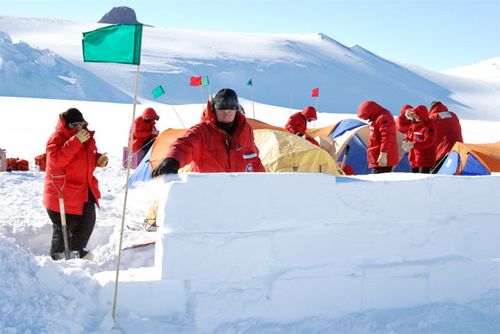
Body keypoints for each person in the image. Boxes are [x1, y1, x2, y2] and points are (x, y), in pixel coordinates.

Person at [152, 88, 265, 175]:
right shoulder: (201, 131)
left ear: (236, 111)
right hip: (206, 194)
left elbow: (253, 159)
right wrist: (173, 159)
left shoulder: (245, 131)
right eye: (222, 111)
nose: (226, 116)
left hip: (236, 193)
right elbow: (184, 145)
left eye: (230, 112)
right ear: (214, 111)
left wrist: (266, 183)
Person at [43, 108, 108, 260]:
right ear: (67, 125)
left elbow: (85, 156)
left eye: (82, 124)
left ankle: (76, 252)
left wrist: (98, 159)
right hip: (62, 192)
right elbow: (56, 160)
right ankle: (57, 261)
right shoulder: (56, 139)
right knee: (64, 228)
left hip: (84, 190)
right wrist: (76, 141)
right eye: (75, 125)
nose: (80, 128)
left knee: (87, 222)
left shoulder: (86, 137)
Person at [357, 101, 399, 174]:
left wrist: (383, 154)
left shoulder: (384, 117)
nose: (366, 119)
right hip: (376, 158)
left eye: (366, 116)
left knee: (379, 183)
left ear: (369, 112)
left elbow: (387, 137)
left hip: (382, 160)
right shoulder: (375, 118)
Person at [397, 105, 436, 173]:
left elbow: (428, 142)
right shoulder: (414, 125)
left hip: (425, 161)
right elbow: (409, 136)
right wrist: (405, 142)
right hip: (414, 159)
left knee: (422, 182)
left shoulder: (429, 126)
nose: (416, 118)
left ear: (422, 115)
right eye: (415, 115)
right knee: (413, 180)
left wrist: (413, 144)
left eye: (417, 115)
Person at [428, 101, 463, 172]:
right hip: (458, 149)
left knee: (437, 175)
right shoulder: (453, 115)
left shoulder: (433, 118)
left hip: (443, 151)